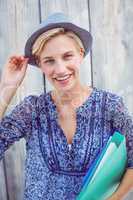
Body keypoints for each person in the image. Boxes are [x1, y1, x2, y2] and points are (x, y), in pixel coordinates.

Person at [0, 12, 133, 200]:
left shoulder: (110, 106)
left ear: (80, 54)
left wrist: (115, 198)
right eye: (49, 61)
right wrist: (7, 88)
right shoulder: (32, 109)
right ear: (40, 64)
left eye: (67, 56)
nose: (60, 69)